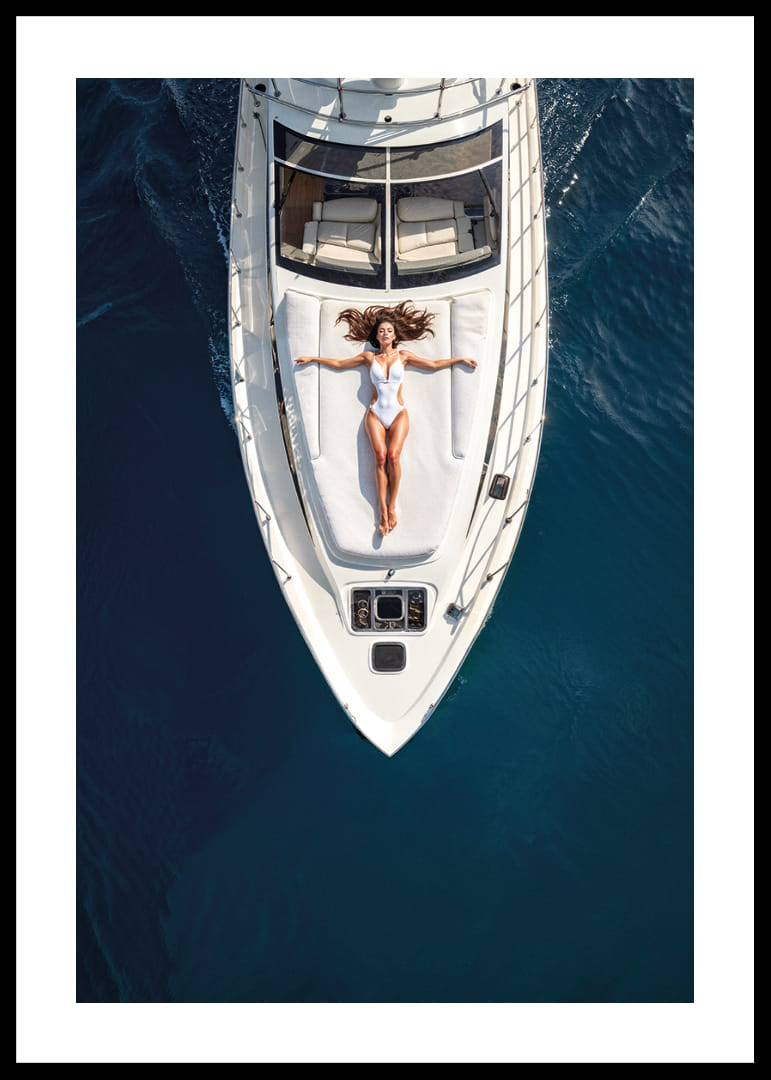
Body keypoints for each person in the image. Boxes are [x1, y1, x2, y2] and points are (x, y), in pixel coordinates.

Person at [295, 302, 477, 536]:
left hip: (399, 412)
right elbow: (340, 364)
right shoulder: (368, 358)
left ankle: (393, 505)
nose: (385, 334)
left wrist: (459, 360)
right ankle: (382, 510)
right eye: (381, 331)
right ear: (377, 336)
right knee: (380, 458)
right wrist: (313, 359)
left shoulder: (405, 356)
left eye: (389, 331)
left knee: (393, 456)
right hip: (375, 413)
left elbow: (432, 365)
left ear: (394, 336)